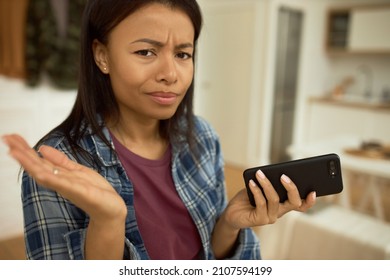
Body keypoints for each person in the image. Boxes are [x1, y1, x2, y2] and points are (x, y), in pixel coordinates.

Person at [2, 0, 316, 260]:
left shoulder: (203, 137)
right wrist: (108, 223)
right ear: (102, 55)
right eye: (146, 52)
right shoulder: (56, 165)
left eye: (183, 54)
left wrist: (229, 226)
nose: (170, 74)